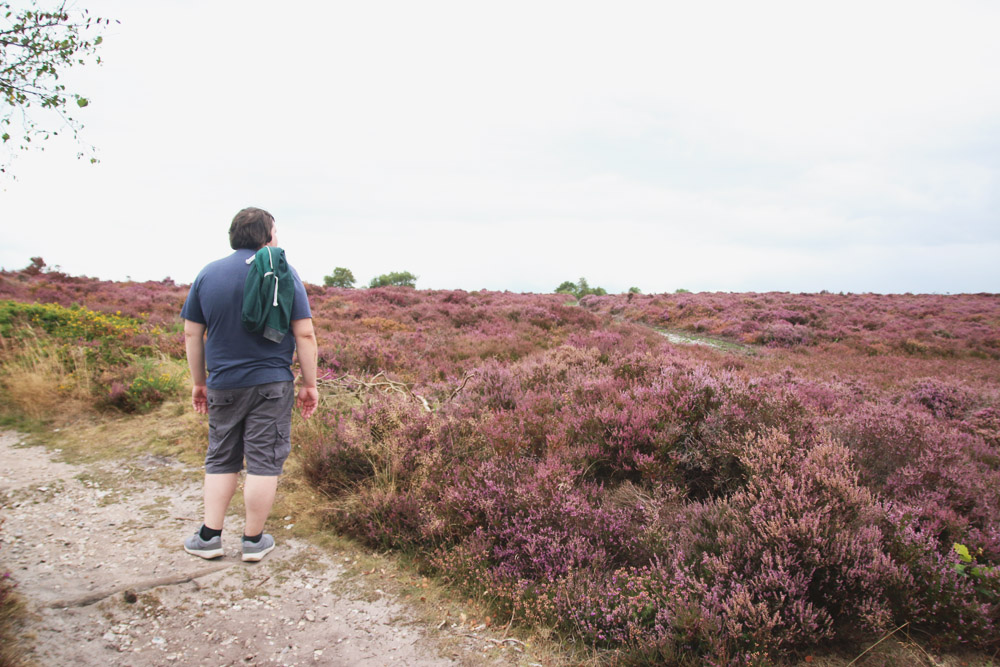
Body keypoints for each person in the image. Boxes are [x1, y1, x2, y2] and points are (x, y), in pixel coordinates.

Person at [180, 207, 318, 562]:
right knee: (263, 461)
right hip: (272, 384)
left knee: (221, 457)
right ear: (267, 236)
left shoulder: (208, 274)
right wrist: (310, 384)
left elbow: (193, 332)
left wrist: (200, 382)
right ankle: (253, 541)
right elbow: (304, 333)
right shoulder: (284, 273)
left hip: (223, 382)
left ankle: (209, 537)